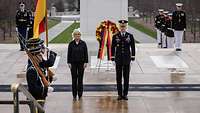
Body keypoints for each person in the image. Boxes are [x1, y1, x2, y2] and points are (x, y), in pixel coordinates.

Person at [26, 38, 57, 113]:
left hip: (40, 96)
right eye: (39, 55)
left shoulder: (38, 63)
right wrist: (45, 89)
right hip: (34, 98)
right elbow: (33, 88)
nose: (41, 57)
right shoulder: (32, 70)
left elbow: (43, 75)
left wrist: (50, 77)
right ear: (34, 56)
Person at [111, 20, 136, 100]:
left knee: (126, 77)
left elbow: (132, 47)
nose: (122, 28)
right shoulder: (115, 36)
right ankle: (119, 94)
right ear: (119, 27)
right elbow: (112, 47)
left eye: (124, 26)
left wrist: (132, 57)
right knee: (118, 77)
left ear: (126, 27)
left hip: (126, 59)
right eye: (121, 26)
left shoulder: (130, 36)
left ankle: (125, 94)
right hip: (118, 59)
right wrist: (112, 57)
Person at [67, 28, 88, 101]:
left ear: (80, 36)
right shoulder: (71, 44)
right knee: (74, 79)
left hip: (81, 63)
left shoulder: (83, 43)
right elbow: (69, 54)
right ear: (73, 35)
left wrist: (86, 62)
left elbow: (86, 53)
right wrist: (69, 62)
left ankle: (80, 93)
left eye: (78, 34)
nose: (77, 36)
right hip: (73, 63)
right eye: (76, 34)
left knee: (80, 79)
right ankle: (74, 94)